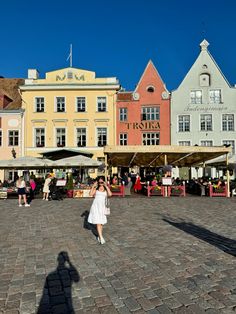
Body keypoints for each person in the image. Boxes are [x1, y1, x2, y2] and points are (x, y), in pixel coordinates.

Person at [88, 176, 112, 244]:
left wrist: (106, 186)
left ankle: (99, 236)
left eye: (102, 182)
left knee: (101, 223)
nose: (100, 183)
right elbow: (90, 194)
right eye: (99, 182)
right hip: (95, 207)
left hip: (102, 207)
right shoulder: (96, 188)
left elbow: (110, 194)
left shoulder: (105, 188)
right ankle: (101, 238)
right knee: (98, 223)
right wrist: (93, 186)